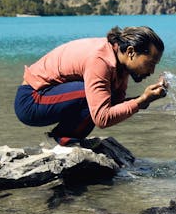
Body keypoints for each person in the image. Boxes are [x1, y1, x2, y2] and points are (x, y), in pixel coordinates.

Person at [14, 26, 168, 146]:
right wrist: (140, 101)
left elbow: (114, 105)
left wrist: (145, 100)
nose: (152, 71)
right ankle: (62, 139)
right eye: (150, 63)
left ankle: (67, 138)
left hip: (49, 98)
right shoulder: (100, 61)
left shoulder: (120, 64)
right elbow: (102, 118)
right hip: (31, 101)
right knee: (91, 96)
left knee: (102, 97)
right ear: (131, 52)